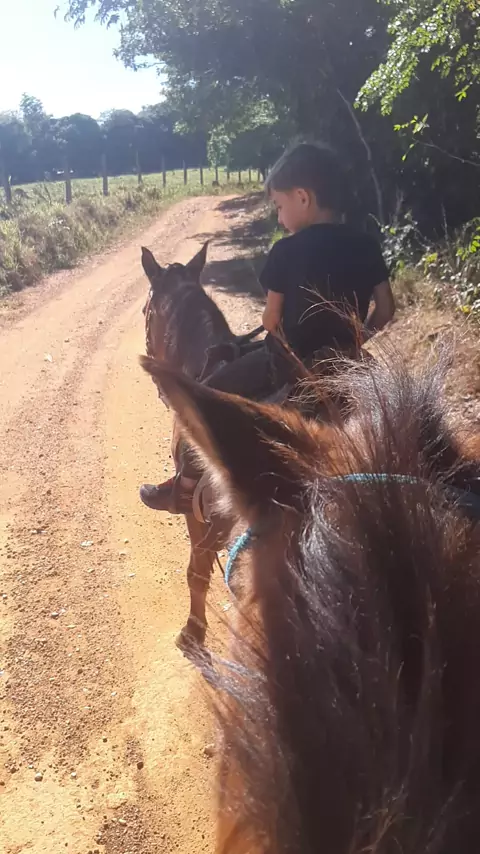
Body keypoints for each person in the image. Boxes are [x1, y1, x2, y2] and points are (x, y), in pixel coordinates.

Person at [140, 142, 395, 514]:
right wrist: (356, 341)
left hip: (289, 366)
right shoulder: (367, 245)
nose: (278, 217)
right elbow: (386, 309)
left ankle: (186, 486)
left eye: (278, 206)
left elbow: (271, 320)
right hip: (349, 363)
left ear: (302, 197)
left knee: (203, 398)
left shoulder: (285, 252)